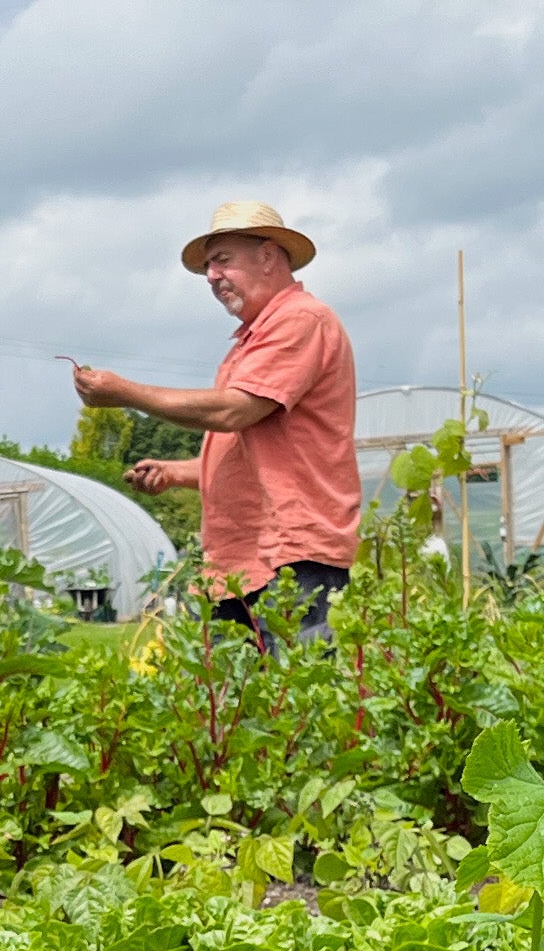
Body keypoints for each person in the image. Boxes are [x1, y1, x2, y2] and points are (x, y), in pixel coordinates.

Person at [76, 199, 362, 640]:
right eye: (208, 265)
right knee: (231, 703)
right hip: (241, 563)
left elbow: (234, 411)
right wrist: (178, 472)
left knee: (294, 700)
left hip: (292, 558)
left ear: (268, 255)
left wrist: (123, 393)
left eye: (222, 260)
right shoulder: (252, 341)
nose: (211, 275)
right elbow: (248, 454)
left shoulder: (301, 320)